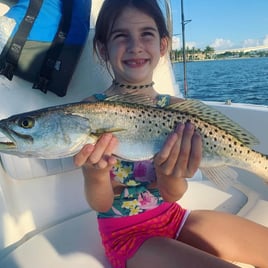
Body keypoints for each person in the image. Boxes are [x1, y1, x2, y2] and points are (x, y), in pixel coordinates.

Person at [74, 0, 268, 267]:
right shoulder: (89, 113)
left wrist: (169, 173)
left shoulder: (179, 110)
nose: (135, 46)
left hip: (176, 218)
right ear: (102, 48)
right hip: (127, 236)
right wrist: (95, 173)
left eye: (147, 34)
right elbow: (102, 203)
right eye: (121, 36)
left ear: (163, 45)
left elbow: (173, 194)